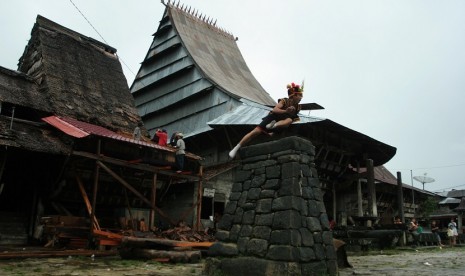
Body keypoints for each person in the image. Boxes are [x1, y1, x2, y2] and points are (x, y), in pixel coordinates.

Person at [228, 82, 304, 159]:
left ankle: (273, 126)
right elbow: (275, 110)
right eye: (300, 95)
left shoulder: (298, 107)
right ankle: (236, 148)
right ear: (294, 95)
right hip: (273, 117)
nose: (301, 97)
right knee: (255, 132)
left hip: (280, 123)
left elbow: (293, 118)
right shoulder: (284, 101)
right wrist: (285, 111)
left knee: (289, 120)